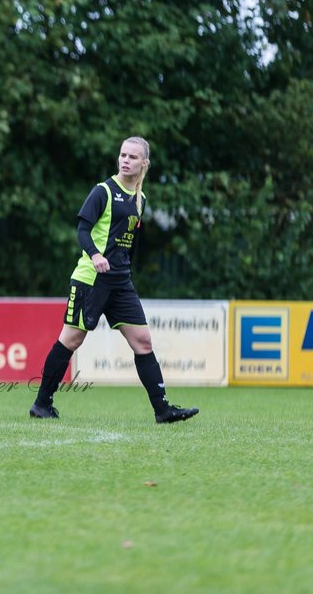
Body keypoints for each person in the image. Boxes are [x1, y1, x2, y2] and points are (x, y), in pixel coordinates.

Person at [29, 137, 198, 424]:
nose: (125, 160)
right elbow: (82, 231)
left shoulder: (140, 199)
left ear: (144, 163)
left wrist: (125, 270)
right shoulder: (103, 191)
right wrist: (95, 255)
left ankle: (162, 410)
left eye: (132, 157)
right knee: (71, 339)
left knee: (143, 341)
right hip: (92, 279)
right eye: (122, 155)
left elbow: (128, 244)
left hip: (120, 283)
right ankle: (42, 403)